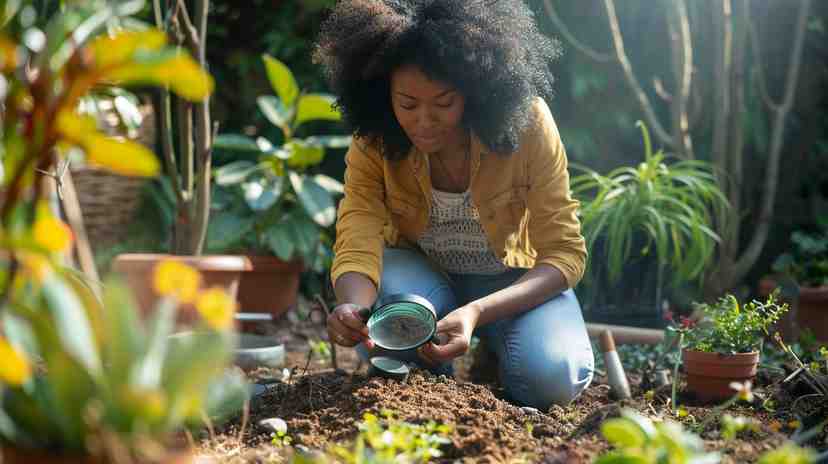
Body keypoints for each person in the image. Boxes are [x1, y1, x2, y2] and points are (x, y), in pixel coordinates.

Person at [313, 0, 594, 409]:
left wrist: (476, 312)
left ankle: (496, 352)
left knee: (552, 380)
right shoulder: (373, 138)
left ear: (476, 93)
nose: (424, 120)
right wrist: (353, 305)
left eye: (443, 103)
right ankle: (434, 381)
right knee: (393, 346)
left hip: (510, 283)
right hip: (419, 277)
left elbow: (564, 254)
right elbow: (359, 230)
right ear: (383, 95)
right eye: (407, 104)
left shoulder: (529, 124)